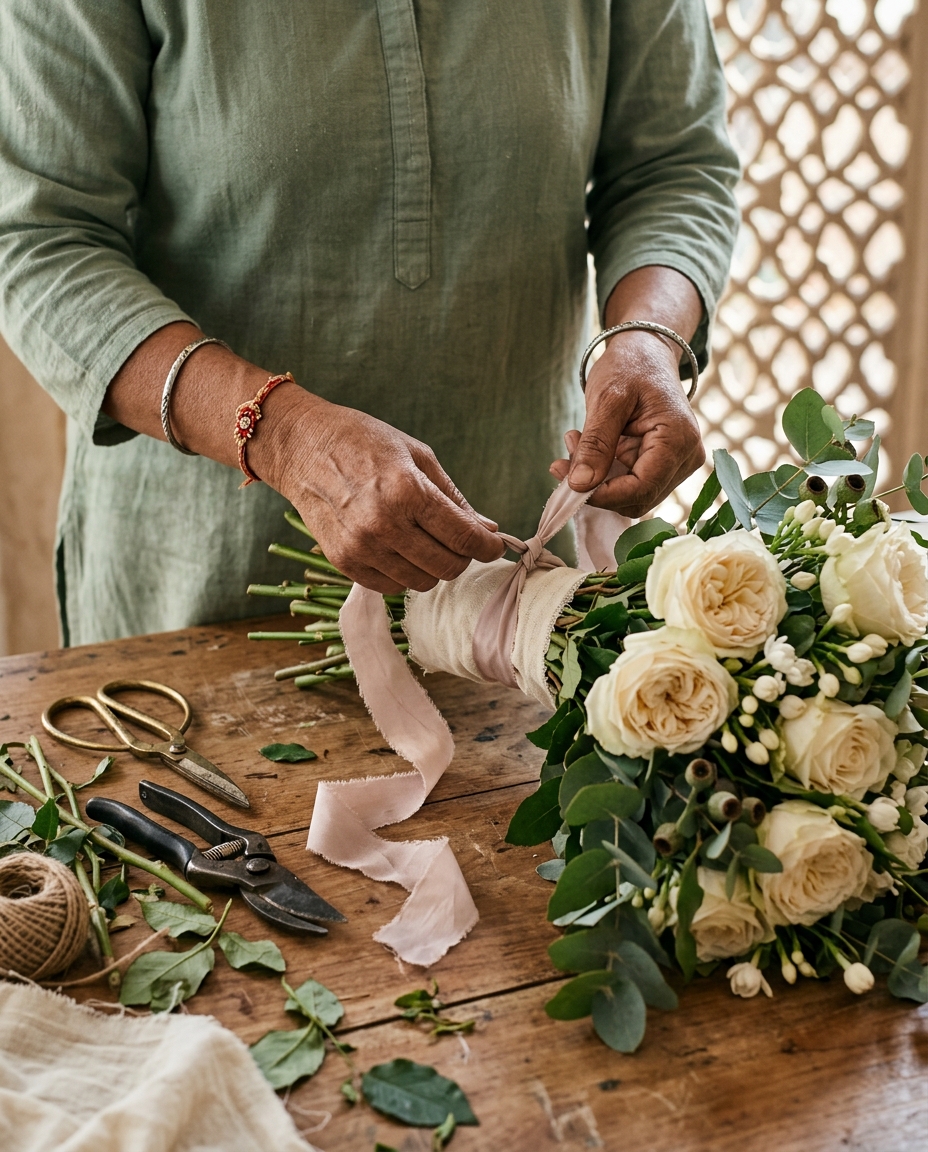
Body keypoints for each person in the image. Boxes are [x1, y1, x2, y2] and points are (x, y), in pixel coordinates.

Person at [0, 1, 739, 646]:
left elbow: (671, 165)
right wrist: (285, 439)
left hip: (518, 595)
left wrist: (646, 341)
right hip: (200, 589)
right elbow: (38, 240)